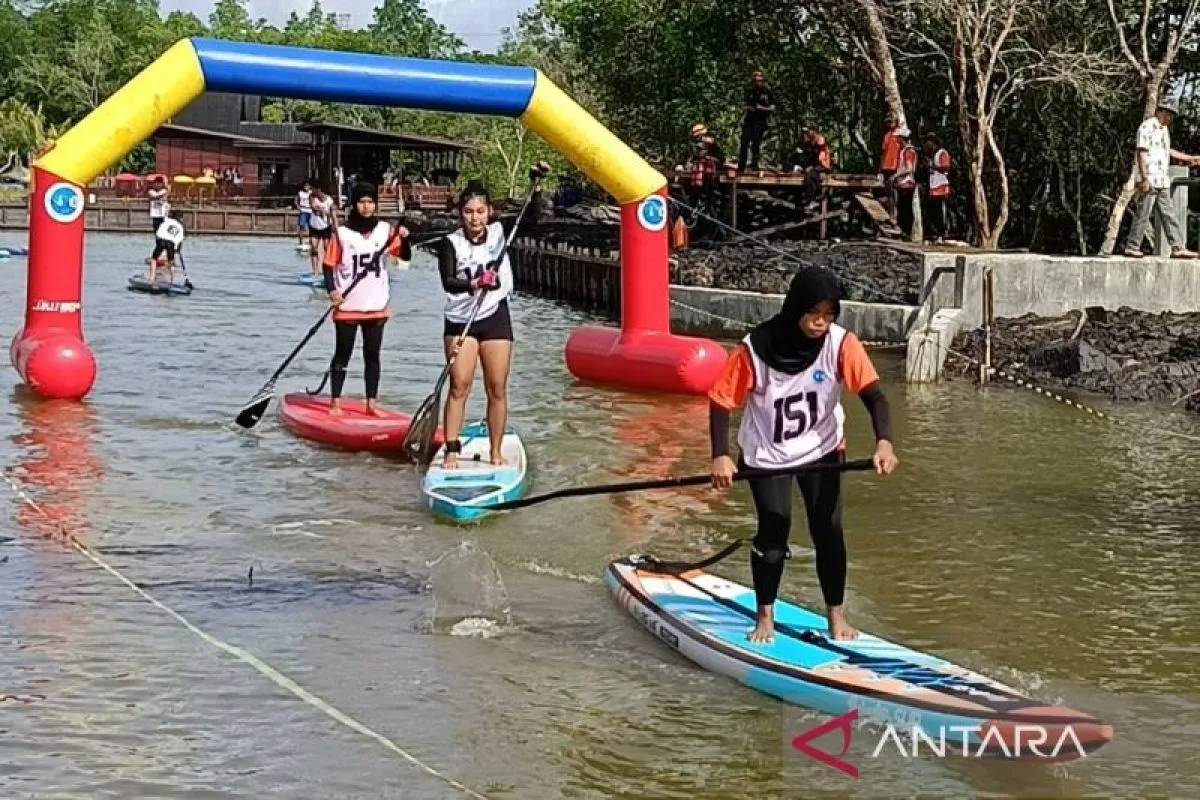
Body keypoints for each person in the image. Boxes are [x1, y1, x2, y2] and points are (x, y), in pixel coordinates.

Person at [708, 266, 899, 644]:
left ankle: (836, 617)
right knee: (775, 528)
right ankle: (765, 617)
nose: (821, 322)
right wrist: (720, 455)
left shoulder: (841, 344)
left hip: (822, 449)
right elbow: (720, 401)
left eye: (829, 314)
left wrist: (884, 442)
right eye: (814, 313)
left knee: (828, 529)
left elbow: (875, 397)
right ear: (795, 307)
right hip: (767, 453)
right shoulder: (754, 349)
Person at [438, 168, 546, 468]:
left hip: (495, 316)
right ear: (461, 213)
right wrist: (475, 283)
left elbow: (531, 219)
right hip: (461, 320)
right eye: (469, 212)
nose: (475, 219)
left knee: (496, 386)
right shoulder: (451, 242)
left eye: (480, 212)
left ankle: (496, 451)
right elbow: (448, 282)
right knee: (460, 385)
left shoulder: (500, 233)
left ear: (489, 212)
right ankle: (451, 450)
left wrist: (536, 186)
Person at [322, 183, 411, 416]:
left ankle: (371, 404)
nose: (366, 206)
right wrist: (332, 291)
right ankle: (335, 402)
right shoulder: (342, 233)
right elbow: (328, 265)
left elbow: (403, 257)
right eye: (362, 201)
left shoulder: (385, 231)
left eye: (370, 202)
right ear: (355, 204)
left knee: (372, 356)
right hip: (348, 306)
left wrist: (404, 238)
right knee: (342, 354)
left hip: (376, 306)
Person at [1123, 96, 1199, 259]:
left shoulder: (1164, 130)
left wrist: (1190, 158)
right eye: (1168, 114)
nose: (1170, 118)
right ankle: (1132, 245)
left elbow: (1167, 151)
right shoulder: (1147, 127)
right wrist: (1144, 178)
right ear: (1161, 111)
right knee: (1143, 213)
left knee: (1168, 214)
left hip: (1161, 179)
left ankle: (1178, 247)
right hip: (1150, 177)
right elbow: (1141, 152)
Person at [738, 70, 776, 173]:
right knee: (744, 142)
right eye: (756, 80)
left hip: (760, 121)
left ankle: (754, 165)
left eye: (760, 80)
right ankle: (741, 166)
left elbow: (773, 108)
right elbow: (744, 104)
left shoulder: (767, 92)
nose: (758, 82)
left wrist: (762, 108)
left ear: (763, 80)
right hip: (749, 121)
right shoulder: (749, 91)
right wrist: (748, 108)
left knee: (756, 144)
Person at [146, 211, 185, 284]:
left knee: (154, 259)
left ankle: (152, 278)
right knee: (171, 262)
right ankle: (172, 280)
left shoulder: (167, 220)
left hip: (162, 241)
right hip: (171, 244)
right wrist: (177, 249)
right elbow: (180, 239)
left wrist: (158, 239)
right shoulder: (180, 227)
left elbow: (159, 231)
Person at [308, 187, 337, 277]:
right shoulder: (313, 198)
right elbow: (312, 206)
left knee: (326, 248)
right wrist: (315, 207)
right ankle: (315, 271)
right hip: (314, 226)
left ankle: (327, 270)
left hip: (325, 226)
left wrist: (336, 227)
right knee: (314, 247)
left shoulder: (329, 201)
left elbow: (333, 215)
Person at [296, 181, 313, 247]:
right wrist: (298, 207)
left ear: (309, 186)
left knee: (311, 227)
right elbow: (296, 200)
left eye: (307, 186)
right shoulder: (300, 193)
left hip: (310, 211)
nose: (306, 187)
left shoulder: (311, 193)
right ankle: (300, 242)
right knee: (302, 227)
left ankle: (311, 242)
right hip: (303, 210)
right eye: (305, 186)